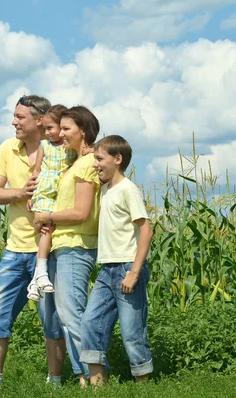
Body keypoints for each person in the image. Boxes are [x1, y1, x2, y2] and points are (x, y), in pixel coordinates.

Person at [0, 95, 66, 391]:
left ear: (39, 120)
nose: (14, 122)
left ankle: (54, 381)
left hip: (50, 249)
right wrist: (21, 193)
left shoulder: (60, 149)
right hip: (15, 249)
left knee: (51, 319)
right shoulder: (7, 148)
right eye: (14, 117)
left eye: (20, 117)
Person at [33, 105, 101, 386]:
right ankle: (83, 377)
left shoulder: (87, 164)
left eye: (66, 129)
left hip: (76, 246)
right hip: (64, 245)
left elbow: (81, 212)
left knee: (74, 317)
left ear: (83, 131)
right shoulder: (75, 162)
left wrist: (46, 216)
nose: (60, 134)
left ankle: (96, 378)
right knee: (66, 317)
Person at [80, 135, 154, 385]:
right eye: (95, 159)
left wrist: (133, 272)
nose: (95, 164)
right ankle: (98, 383)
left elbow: (146, 230)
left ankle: (142, 384)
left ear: (118, 159)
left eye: (100, 159)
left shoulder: (128, 190)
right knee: (91, 322)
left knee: (132, 331)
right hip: (106, 270)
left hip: (126, 267)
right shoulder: (106, 188)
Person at [26, 105, 77, 301]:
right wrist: (31, 195)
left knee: (52, 227)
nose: (47, 133)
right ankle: (41, 269)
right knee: (47, 228)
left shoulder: (69, 148)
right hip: (46, 191)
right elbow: (37, 171)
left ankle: (34, 281)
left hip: (61, 192)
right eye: (45, 129)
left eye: (50, 128)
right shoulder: (44, 146)